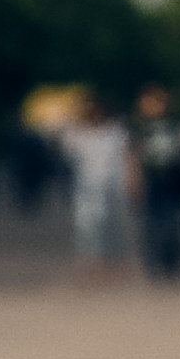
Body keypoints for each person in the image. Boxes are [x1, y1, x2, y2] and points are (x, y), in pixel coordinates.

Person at [62, 95, 136, 279]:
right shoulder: (78, 133)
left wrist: (131, 179)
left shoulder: (115, 132)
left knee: (113, 225)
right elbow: (66, 149)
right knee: (87, 225)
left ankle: (114, 263)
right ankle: (90, 262)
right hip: (87, 185)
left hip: (113, 185)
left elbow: (126, 156)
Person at [134, 90, 180, 282]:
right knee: (152, 225)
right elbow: (134, 155)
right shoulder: (140, 127)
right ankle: (154, 262)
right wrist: (135, 180)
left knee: (175, 225)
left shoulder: (177, 125)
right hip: (153, 180)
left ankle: (172, 262)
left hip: (175, 180)